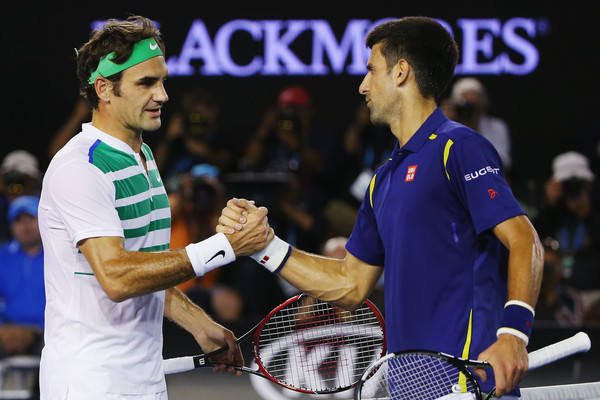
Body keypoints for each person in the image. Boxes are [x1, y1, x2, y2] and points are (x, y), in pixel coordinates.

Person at [219, 17, 543, 399]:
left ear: (401, 72)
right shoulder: (383, 180)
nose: (363, 85)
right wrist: (263, 246)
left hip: (466, 383)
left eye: (372, 69)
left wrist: (514, 335)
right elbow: (350, 283)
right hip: (408, 387)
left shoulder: (460, 147)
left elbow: (525, 240)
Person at [38, 16, 272, 400]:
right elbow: (117, 277)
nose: (162, 95)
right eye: (146, 83)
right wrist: (225, 246)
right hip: (88, 384)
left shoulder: (142, 154)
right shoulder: (80, 167)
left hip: (143, 379)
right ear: (104, 89)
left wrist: (199, 324)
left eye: (162, 81)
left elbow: (147, 265)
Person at [0, 195, 45, 359]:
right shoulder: (3, 256)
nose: (25, 226)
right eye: (18, 220)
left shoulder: (58, 255)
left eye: (31, 218)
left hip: (47, 332)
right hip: (8, 330)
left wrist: (39, 329)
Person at [442, 77, 512, 171]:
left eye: (473, 107)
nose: (468, 112)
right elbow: (435, 158)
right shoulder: (445, 127)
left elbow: (503, 161)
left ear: (483, 107)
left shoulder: (496, 127)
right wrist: (442, 124)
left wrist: (473, 129)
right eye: (465, 106)